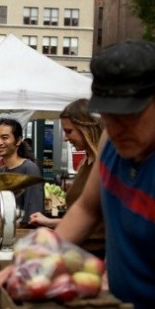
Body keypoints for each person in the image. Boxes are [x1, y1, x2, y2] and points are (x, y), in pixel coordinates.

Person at [0, 40, 155, 309]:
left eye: (129, 116)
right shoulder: (112, 143)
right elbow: (87, 209)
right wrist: (31, 266)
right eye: (109, 117)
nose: (117, 128)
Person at [29, 99, 106, 258]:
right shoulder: (86, 163)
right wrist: (49, 222)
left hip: (97, 255)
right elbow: (83, 217)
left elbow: (98, 223)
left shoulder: (105, 165)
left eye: (69, 131)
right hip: (77, 251)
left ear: (86, 129)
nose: (65, 138)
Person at [0, 117, 43, 226]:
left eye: (5, 138)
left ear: (18, 141)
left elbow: (34, 213)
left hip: (23, 235)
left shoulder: (29, 169)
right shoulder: (2, 171)